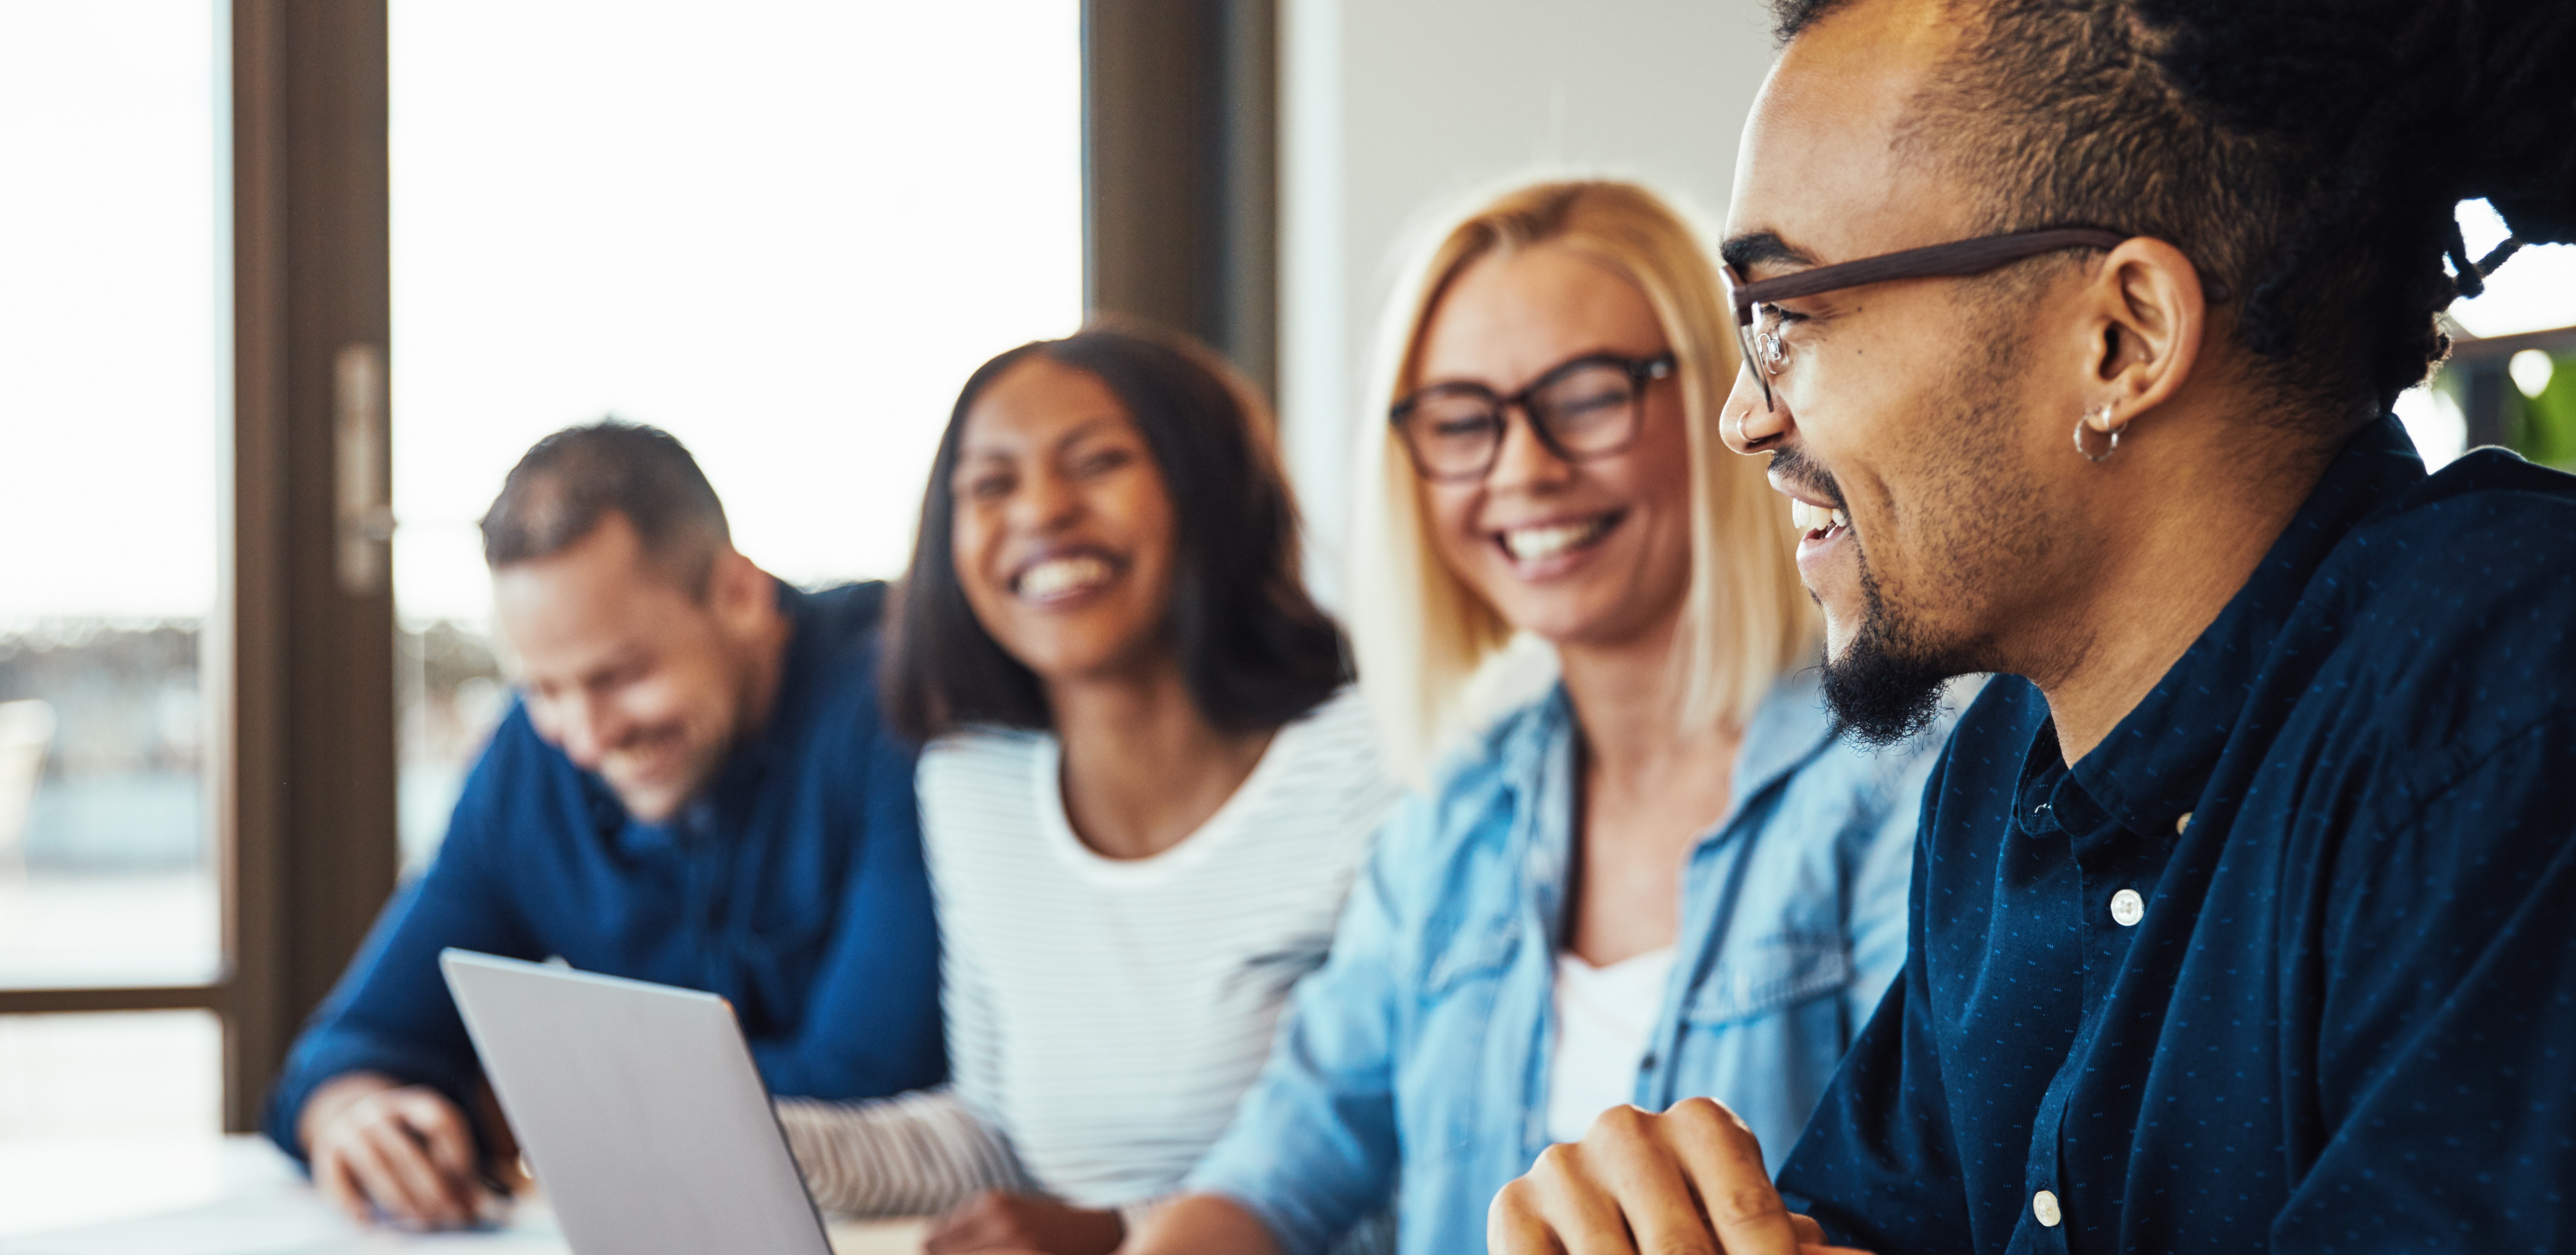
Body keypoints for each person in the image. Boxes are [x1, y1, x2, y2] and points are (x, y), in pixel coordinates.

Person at [1489, 0, 2576, 1254]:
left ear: (2122, 338)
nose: (1742, 417)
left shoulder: (2550, 706)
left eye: (1791, 319)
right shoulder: (2003, 777)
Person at [1111, 179, 1941, 1255]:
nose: (1522, 469)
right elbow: (1275, 1173)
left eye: (1588, 396)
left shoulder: (1904, 789)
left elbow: (1944, 1203)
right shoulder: (1453, 820)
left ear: (1725, 403)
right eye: (1461, 419)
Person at [774, 326, 1397, 1255]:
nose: (1041, 511)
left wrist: (1118, 1235)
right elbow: (995, 1132)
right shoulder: (970, 784)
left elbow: (1421, 1175)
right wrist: (765, 1138)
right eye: (992, 485)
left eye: (1097, 463)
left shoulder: (1373, 765)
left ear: (1211, 494)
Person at [264, 422, 943, 1230]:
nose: (586, 739)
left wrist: (522, 1108)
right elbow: (353, 1041)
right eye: (543, 689)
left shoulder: (901, 696)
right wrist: (355, 1112)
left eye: (620, 676)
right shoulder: (531, 758)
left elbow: (867, 1083)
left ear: (739, 594)